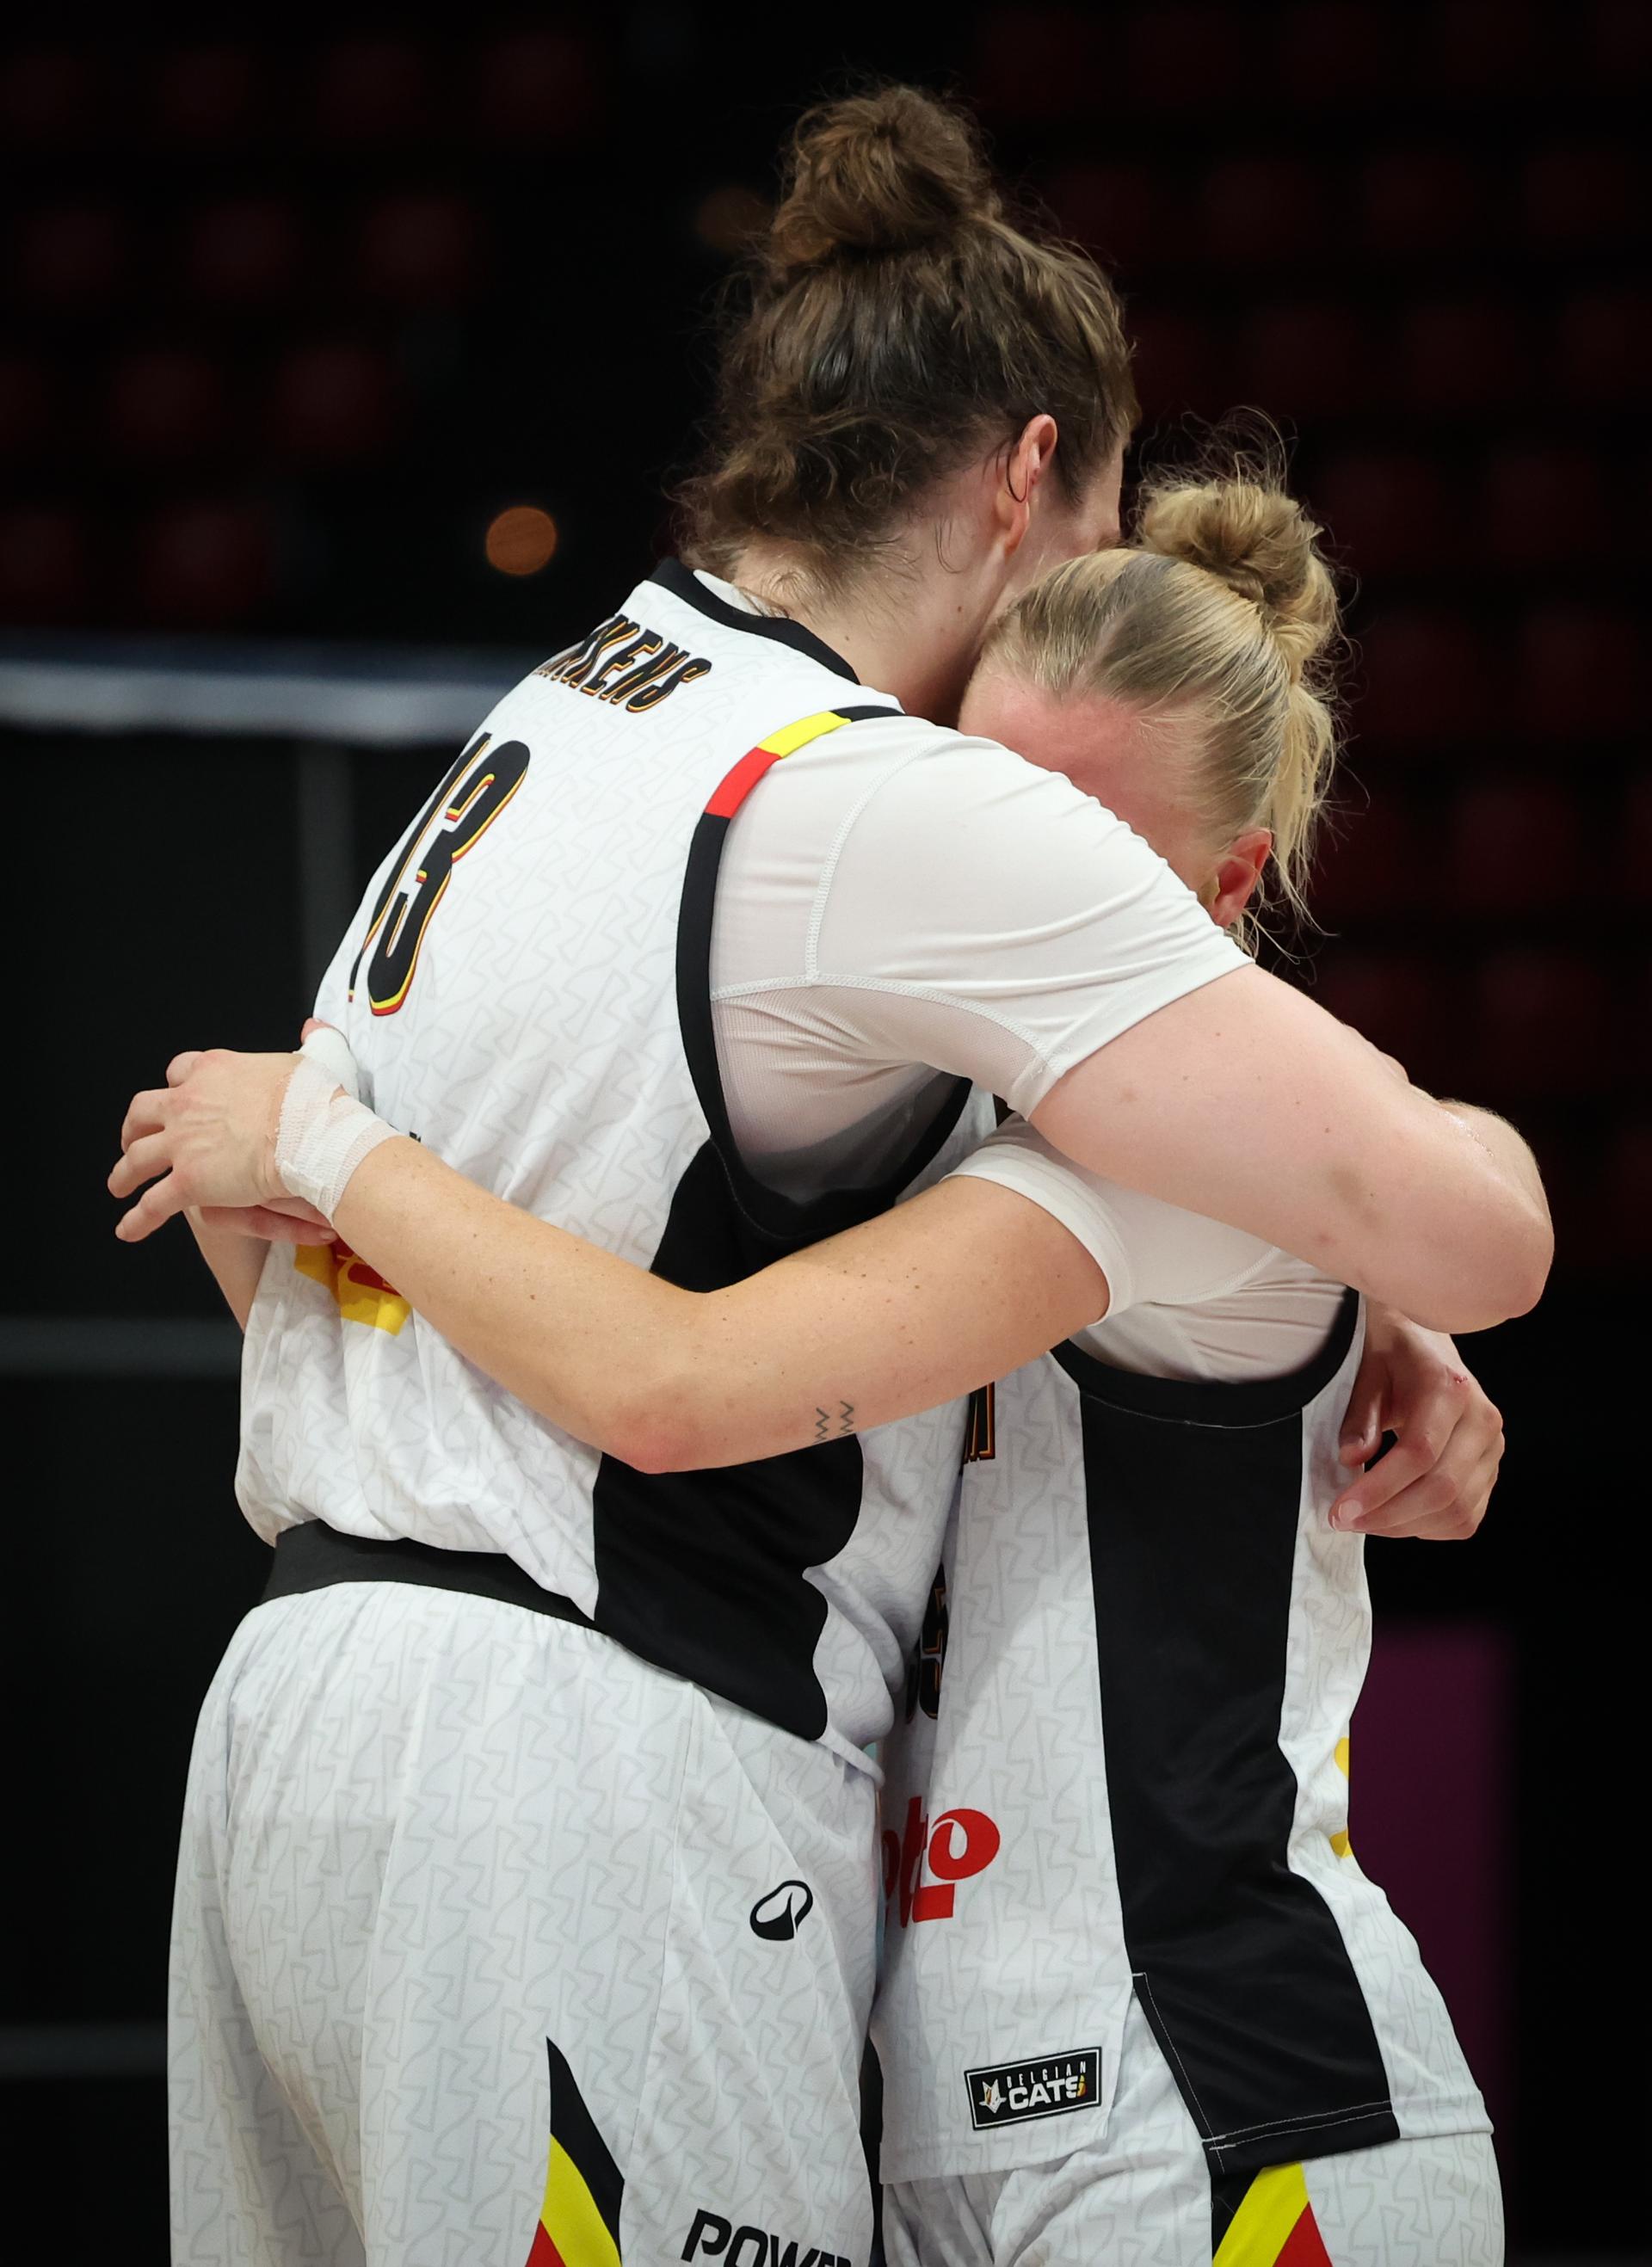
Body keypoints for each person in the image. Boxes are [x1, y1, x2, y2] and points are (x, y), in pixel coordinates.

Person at [112, 88, 1539, 2267]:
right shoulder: (880, 805)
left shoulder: (561, 715)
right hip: (594, 1770)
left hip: (297, 1719)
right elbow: (1476, 1214)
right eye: (1106, 519)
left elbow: (286, 1262)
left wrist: (1330, 1287)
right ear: (1032, 474)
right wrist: (1365, 1243)